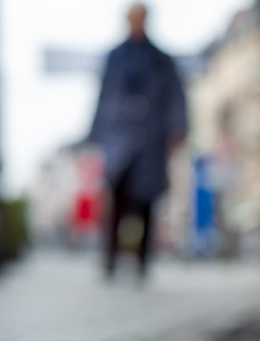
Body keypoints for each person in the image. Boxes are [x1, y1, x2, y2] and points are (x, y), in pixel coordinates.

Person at [89, 3, 187, 278]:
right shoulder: (114, 57)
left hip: (151, 137)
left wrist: (178, 128)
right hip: (119, 136)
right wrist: (96, 136)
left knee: (146, 201)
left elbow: (176, 96)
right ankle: (110, 257)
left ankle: (143, 260)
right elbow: (103, 96)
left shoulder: (161, 59)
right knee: (117, 197)